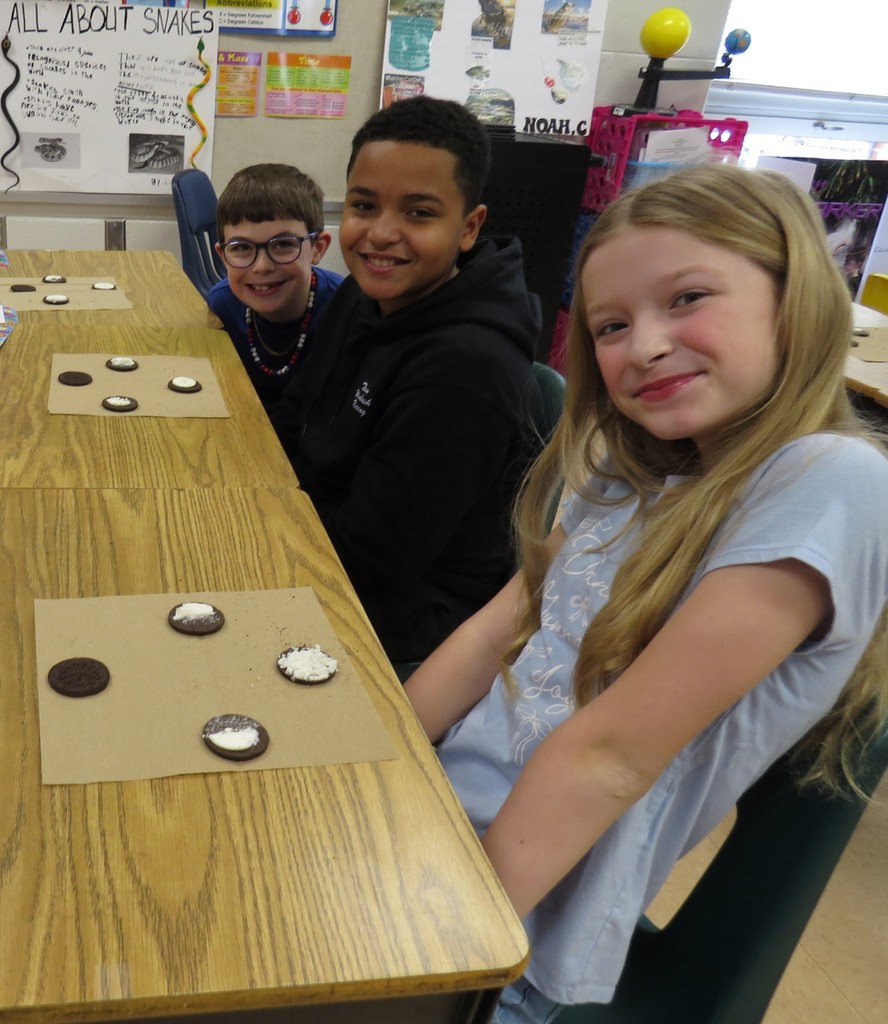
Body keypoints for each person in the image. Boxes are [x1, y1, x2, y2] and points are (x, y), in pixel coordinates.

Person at [403, 163, 888, 1024]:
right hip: (432, 829)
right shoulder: (635, 478)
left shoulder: (830, 478)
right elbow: (496, 630)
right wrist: (379, 760)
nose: (647, 344)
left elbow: (610, 756)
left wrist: (443, 947)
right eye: (612, 325)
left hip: (505, 922)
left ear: (797, 297)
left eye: (689, 297)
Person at [273, 96, 543, 663]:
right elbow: (294, 416)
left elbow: (369, 559)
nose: (380, 234)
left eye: (419, 213)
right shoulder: (361, 294)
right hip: (318, 539)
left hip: (406, 616)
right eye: (364, 206)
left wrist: (256, 522)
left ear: (469, 228)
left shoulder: (465, 368)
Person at [208, 163, 343, 413]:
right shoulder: (223, 307)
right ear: (223, 255)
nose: (261, 266)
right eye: (241, 247)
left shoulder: (346, 312)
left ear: (318, 248)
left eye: (282, 244)